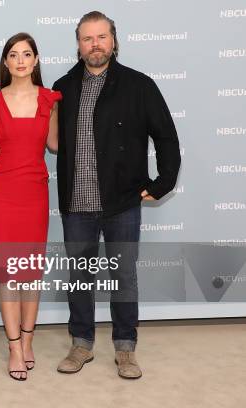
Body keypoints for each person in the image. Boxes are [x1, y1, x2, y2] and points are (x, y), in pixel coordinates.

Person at [52, 11, 181, 379]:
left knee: (124, 275)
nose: (95, 44)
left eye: (102, 37)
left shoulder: (139, 85)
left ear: (114, 40)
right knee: (80, 276)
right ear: (78, 44)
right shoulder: (63, 87)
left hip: (122, 201)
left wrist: (161, 184)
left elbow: (167, 137)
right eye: (88, 38)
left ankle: (126, 348)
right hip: (77, 203)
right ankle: (81, 344)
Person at [0, 33, 61, 381]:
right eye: (13, 55)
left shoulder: (50, 99)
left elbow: (55, 145)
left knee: (30, 271)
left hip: (35, 192)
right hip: (2, 192)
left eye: (27, 54)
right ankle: (14, 346)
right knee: (10, 274)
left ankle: (28, 342)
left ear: (36, 60)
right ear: (6, 62)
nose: (21, 60)